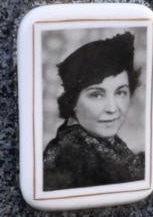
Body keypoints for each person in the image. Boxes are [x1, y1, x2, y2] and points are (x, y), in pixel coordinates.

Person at [43, 32, 145, 190]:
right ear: (73, 102)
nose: (112, 109)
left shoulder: (110, 149)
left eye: (120, 92)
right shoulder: (67, 161)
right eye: (97, 95)